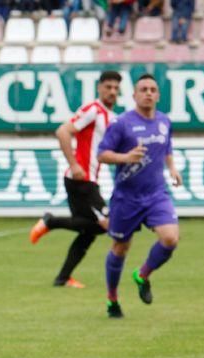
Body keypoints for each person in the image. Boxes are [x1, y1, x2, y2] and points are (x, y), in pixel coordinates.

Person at [97, 73, 182, 318]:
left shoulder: (165, 122)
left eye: (152, 89)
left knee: (170, 239)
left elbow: (166, 148)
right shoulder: (122, 123)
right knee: (120, 247)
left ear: (157, 95)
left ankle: (142, 275)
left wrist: (172, 168)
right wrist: (125, 157)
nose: (148, 93)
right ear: (134, 95)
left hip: (156, 194)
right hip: (126, 197)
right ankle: (112, 299)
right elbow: (102, 154)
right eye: (143, 89)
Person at [29, 71, 121, 288]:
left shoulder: (111, 117)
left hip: (89, 179)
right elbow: (63, 131)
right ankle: (51, 221)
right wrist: (73, 163)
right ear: (99, 88)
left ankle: (62, 278)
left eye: (116, 88)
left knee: (88, 231)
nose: (112, 92)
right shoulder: (93, 110)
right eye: (108, 87)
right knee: (105, 224)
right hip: (81, 179)